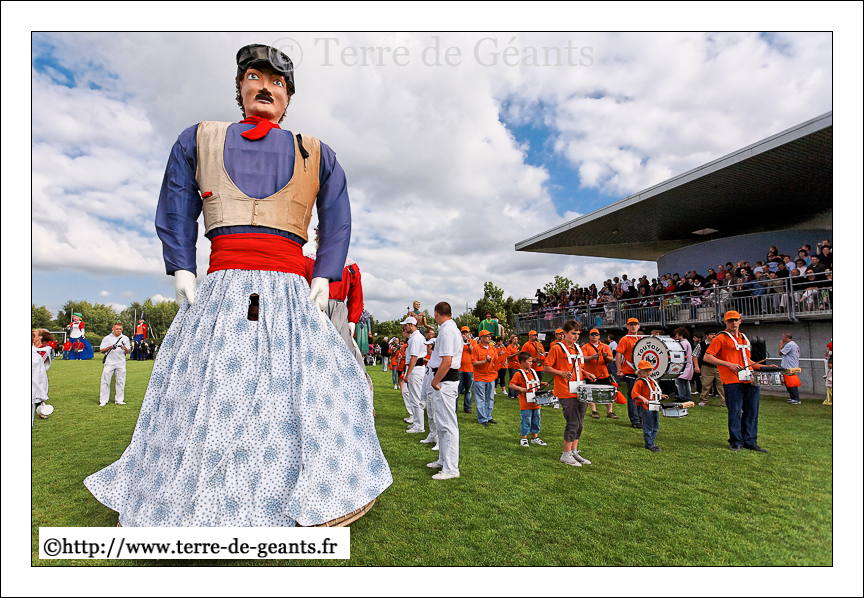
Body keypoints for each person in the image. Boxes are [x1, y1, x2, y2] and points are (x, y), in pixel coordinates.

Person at [84, 44, 392, 527]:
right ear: (240, 87)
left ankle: (316, 489)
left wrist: (324, 273)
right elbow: (177, 200)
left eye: (277, 82)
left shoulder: (316, 152)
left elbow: (338, 217)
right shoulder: (198, 139)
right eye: (254, 77)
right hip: (223, 286)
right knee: (209, 391)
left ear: (288, 96)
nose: (265, 87)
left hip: (290, 290)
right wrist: (182, 265)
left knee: (318, 388)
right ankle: (197, 498)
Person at [704, 311, 767, 453]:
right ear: (725, 322)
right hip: (732, 379)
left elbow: (747, 360)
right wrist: (728, 364)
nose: (733, 323)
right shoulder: (720, 338)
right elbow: (707, 357)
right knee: (735, 411)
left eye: (735, 320)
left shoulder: (744, 338)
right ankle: (736, 441)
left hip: (749, 377)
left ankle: (750, 441)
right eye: (730, 320)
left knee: (752, 410)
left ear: (740, 321)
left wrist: (764, 367)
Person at [544, 320, 596, 467]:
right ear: (564, 333)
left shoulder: (578, 348)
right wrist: (561, 373)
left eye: (578, 334)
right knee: (573, 422)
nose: (576, 336)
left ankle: (574, 451)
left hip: (580, 389)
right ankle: (565, 454)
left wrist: (587, 373)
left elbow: (578, 367)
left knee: (580, 422)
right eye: (573, 333)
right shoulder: (556, 348)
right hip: (565, 391)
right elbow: (546, 367)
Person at [425, 302, 463, 480]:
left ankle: (451, 469)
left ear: (436, 313)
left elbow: (447, 361)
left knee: (447, 425)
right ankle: (443, 460)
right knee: (442, 424)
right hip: (444, 381)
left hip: (445, 382)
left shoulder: (447, 331)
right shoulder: (450, 329)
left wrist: (435, 381)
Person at [509, 351, 550, 447]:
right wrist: (520, 389)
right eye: (529, 361)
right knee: (526, 420)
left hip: (536, 402)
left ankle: (535, 437)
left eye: (531, 361)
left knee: (536, 419)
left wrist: (542, 383)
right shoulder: (518, 374)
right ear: (522, 362)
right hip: (525, 403)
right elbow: (511, 385)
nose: (532, 363)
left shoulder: (533, 372)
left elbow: (535, 383)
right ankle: (524, 438)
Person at [581, 328, 618, 419]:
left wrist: (605, 357)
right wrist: (591, 357)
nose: (594, 336)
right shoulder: (585, 347)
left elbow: (611, 359)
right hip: (590, 374)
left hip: (603, 373)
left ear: (599, 336)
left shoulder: (605, 346)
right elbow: (582, 358)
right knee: (590, 393)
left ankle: (610, 411)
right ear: (589, 336)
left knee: (608, 393)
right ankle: (594, 411)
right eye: (592, 334)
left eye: (596, 334)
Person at [472, 330, 507, 426]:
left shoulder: (492, 348)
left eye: (490, 336)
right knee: (480, 399)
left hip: (491, 377)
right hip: (480, 377)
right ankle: (482, 418)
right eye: (487, 336)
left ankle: (488, 416)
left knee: (490, 398)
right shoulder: (476, 348)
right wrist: (484, 361)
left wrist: (501, 363)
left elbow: (496, 360)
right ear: (481, 338)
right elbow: (474, 363)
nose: (489, 337)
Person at [631, 359, 666, 452]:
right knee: (648, 425)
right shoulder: (639, 382)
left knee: (656, 425)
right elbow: (634, 393)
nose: (648, 372)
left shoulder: (651, 381)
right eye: (645, 370)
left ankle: (651, 442)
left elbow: (653, 391)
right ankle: (649, 444)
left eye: (649, 370)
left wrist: (661, 395)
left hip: (654, 405)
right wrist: (643, 399)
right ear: (640, 371)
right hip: (646, 407)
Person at [615, 317, 644, 429]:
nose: (633, 326)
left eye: (635, 324)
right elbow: (618, 354)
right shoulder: (625, 339)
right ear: (627, 327)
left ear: (638, 326)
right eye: (631, 325)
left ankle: (641, 419)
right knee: (633, 396)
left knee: (641, 396)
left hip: (641, 372)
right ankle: (635, 420)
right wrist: (619, 370)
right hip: (630, 371)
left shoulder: (641, 338)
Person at [402, 316, 428, 434]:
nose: (405, 327)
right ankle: (417, 422)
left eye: (406, 325)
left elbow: (414, 357)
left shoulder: (415, 338)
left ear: (411, 325)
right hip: (416, 368)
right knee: (414, 397)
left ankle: (419, 425)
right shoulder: (416, 337)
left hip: (415, 368)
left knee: (416, 398)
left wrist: (408, 374)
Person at [98, 323, 131, 407]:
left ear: (122, 329)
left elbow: (128, 351)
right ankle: (103, 400)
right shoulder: (107, 338)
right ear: (113, 329)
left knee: (120, 381)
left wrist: (125, 349)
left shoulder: (125, 338)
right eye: (117, 329)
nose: (118, 331)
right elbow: (101, 350)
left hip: (121, 362)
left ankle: (119, 399)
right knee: (105, 381)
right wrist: (110, 347)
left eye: (120, 329)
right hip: (109, 362)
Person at [696, 330, 725, 407]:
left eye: (715, 334)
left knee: (721, 385)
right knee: (706, 385)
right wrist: (696, 366)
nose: (714, 336)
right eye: (711, 334)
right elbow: (695, 355)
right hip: (706, 367)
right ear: (707, 335)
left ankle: (725, 402)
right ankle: (704, 401)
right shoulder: (701, 345)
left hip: (718, 367)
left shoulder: (719, 343)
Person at [32, 329, 55, 425]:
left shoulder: (44, 350)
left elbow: (41, 366)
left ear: (39, 337)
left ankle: (41, 410)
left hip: (37, 376)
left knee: (37, 393)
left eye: (34, 334)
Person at [779, 332, 802, 405]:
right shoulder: (794, 344)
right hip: (792, 365)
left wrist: (781, 345)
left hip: (790, 366)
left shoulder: (789, 345)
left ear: (786, 337)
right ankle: (793, 397)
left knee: (791, 383)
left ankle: (795, 398)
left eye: (783, 337)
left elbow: (780, 353)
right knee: (789, 382)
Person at [673, 327, 694, 400]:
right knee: (685, 382)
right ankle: (688, 396)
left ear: (680, 334)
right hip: (687, 365)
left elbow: (681, 354)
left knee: (680, 381)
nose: (676, 336)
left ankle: (682, 396)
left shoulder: (683, 343)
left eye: (676, 334)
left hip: (684, 365)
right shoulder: (686, 342)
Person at [458, 326, 475, 414]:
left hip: (470, 369)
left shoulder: (473, 342)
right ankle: (454, 407)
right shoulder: (458, 341)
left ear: (469, 333)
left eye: (466, 332)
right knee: (457, 389)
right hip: (459, 368)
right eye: (463, 332)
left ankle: (467, 407)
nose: (464, 334)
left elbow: (474, 352)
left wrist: (468, 343)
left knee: (468, 390)